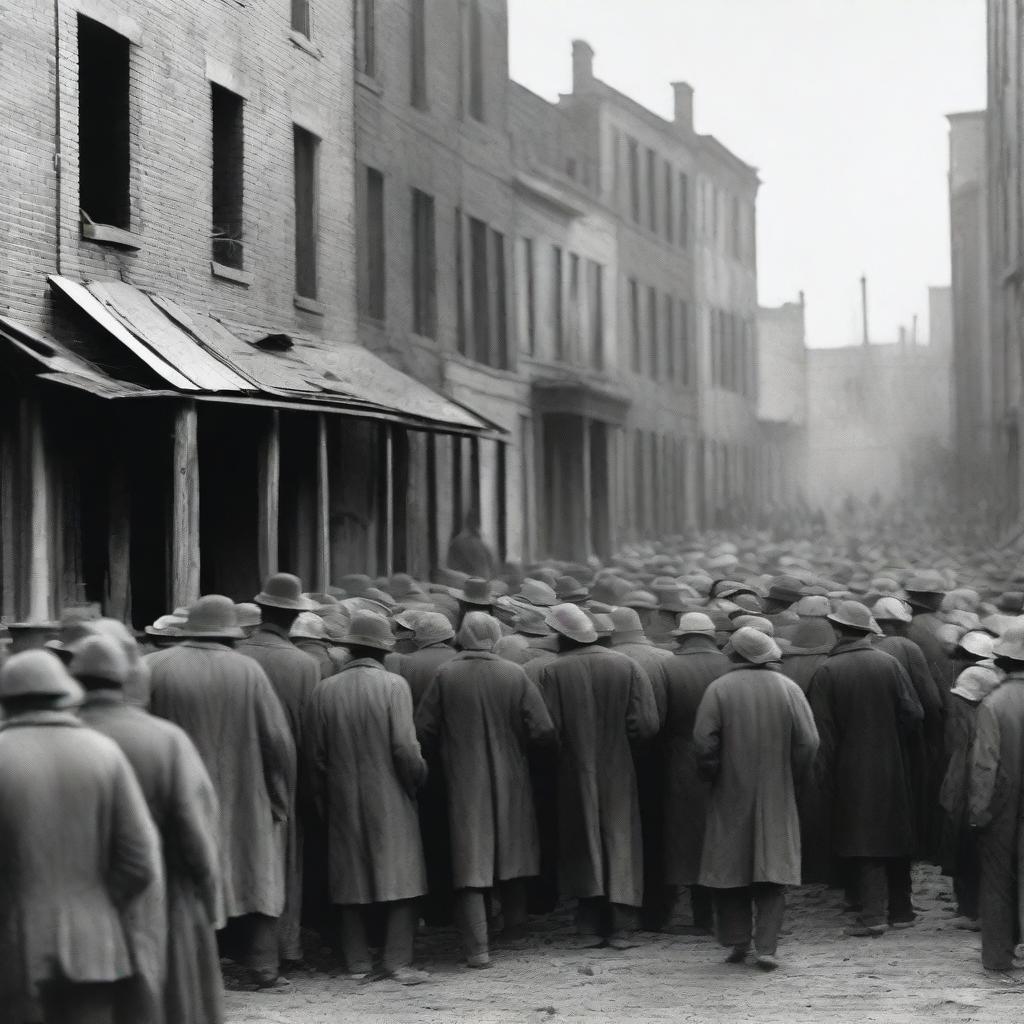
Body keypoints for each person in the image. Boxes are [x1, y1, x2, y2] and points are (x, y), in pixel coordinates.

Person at [0, 650, 163, 1024]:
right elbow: (140, 860)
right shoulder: (104, 754)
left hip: (14, 948)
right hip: (96, 946)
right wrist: (98, 903)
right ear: (63, 696)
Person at [72, 635, 224, 1024]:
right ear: (126, 679)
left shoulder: (63, 737)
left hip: (80, 902)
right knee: (163, 1002)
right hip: (165, 893)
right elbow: (193, 830)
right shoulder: (164, 739)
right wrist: (210, 897)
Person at [147, 595, 295, 991]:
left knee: (185, 877)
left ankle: (191, 969)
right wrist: (278, 797)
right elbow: (276, 741)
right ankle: (263, 967)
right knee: (256, 875)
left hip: (173, 796)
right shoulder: (248, 671)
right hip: (244, 795)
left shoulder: (154, 667)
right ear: (230, 631)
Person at [415, 612, 556, 967]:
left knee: (470, 859)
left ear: (462, 636)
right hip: (512, 776)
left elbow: (424, 729)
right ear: (495, 636)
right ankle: (516, 930)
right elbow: (542, 729)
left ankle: (477, 948)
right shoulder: (514, 673)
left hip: (462, 778)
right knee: (513, 850)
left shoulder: (445, 674)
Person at [305, 612, 430, 984]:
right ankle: (396, 960)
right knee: (402, 877)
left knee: (349, 877)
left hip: (342, 795)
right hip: (391, 793)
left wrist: (322, 800)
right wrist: (416, 782)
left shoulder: (323, 689)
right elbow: (405, 747)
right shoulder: (394, 686)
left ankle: (357, 961)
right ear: (383, 652)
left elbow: (315, 757)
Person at [535, 604, 659, 949]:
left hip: (573, 768)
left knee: (580, 837)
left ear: (561, 637)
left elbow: (546, 730)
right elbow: (647, 725)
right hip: (620, 764)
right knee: (621, 837)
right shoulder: (627, 665)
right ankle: (621, 925)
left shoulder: (551, 672)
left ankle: (588, 923)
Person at [693, 627, 819, 970]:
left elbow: (704, 742)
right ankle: (767, 947)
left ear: (736, 654)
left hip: (730, 790)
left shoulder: (718, 689)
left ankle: (737, 943)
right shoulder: (788, 688)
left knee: (730, 867)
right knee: (773, 869)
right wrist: (792, 774)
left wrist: (711, 772)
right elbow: (809, 741)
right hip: (778, 791)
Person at [809, 601, 924, 937]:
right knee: (895, 832)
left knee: (862, 836)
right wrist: (891, 738)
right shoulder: (889, 663)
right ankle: (902, 910)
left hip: (850, 767)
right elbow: (914, 714)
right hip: (891, 762)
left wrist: (823, 774)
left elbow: (823, 732)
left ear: (837, 629)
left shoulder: (828, 671)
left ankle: (872, 915)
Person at [237, 573, 320, 965]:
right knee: (284, 863)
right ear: (293, 618)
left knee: (240, 858)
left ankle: (238, 947)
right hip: (286, 774)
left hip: (237, 775)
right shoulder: (303, 664)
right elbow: (308, 732)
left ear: (262, 610)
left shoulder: (236, 654)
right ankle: (284, 949)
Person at [651, 612, 730, 933]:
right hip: (725, 759)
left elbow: (655, 720)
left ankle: (685, 914)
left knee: (682, 837)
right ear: (711, 636)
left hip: (680, 760)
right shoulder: (730, 665)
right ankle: (717, 913)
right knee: (720, 833)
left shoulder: (667, 667)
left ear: (681, 637)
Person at [872, 596, 947, 864]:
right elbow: (931, 699)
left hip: (867, 737)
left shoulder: (863, 645)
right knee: (912, 791)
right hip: (907, 732)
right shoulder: (906, 647)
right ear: (895, 624)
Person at [969, 626, 1024, 971]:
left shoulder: (994, 703)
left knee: (997, 877)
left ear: (1001, 660)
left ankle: (998, 956)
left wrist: (978, 809)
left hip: (1004, 800)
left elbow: (984, 764)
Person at [941, 663, 1003, 931]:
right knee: (963, 848)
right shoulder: (965, 719)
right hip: (962, 790)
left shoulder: (989, 718)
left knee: (977, 851)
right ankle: (966, 907)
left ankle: (976, 911)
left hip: (978, 793)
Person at [446, 509, 496, 579]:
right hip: (481, 583)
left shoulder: (457, 542)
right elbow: (491, 566)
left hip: (465, 583)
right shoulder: (482, 545)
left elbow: (451, 566)